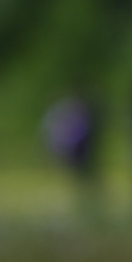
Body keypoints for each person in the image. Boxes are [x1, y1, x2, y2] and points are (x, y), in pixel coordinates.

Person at [42, 92, 104, 225]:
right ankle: (86, 196)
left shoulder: (76, 116)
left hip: (81, 150)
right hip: (78, 151)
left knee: (83, 175)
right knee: (81, 175)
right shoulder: (73, 116)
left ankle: (88, 196)